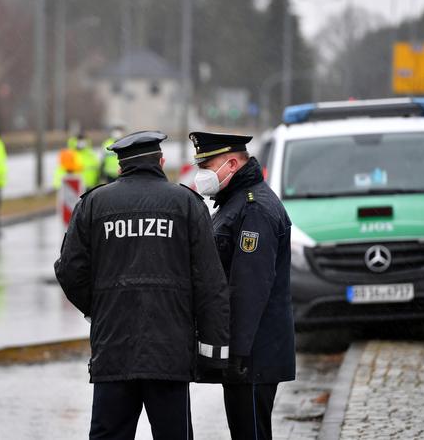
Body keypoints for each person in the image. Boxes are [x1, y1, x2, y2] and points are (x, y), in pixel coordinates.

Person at [54, 131, 230, 440]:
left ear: (121, 167)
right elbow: (210, 282)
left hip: (113, 347)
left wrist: (99, 307)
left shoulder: (94, 204)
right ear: (160, 162)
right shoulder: (186, 204)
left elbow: (69, 271)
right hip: (170, 351)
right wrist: (214, 351)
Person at [190, 131, 296, 440]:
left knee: (251, 433)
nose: (202, 175)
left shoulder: (254, 209)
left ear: (232, 163)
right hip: (248, 352)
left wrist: (236, 353)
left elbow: (249, 288)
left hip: (253, 355)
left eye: (207, 167)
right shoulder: (234, 203)